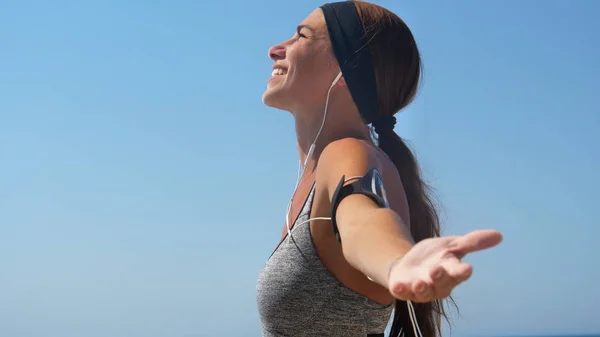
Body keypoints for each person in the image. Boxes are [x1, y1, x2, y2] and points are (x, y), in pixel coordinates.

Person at [256, 1, 503, 336]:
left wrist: (398, 261)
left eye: (302, 36)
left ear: (345, 69)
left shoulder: (346, 153)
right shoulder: (319, 174)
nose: (275, 49)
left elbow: (361, 218)